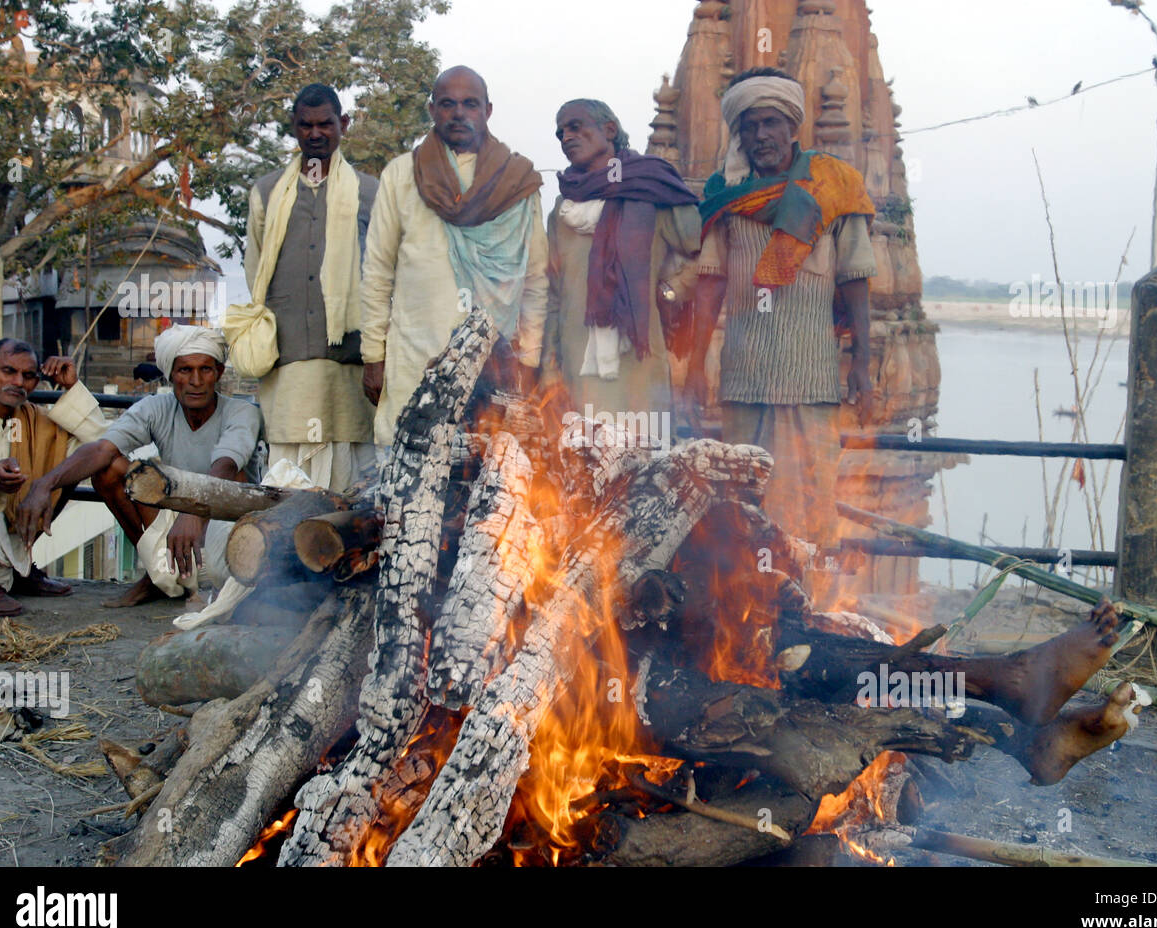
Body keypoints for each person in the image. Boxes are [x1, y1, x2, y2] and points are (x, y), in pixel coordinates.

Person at [687, 67, 877, 606]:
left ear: (793, 127)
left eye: (771, 123)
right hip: (743, 378)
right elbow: (710, 280)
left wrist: (862, 364)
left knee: (810, 511)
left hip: (810, 380)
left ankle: (808, 615)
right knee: (740, 507)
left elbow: (856, 277)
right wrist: (697, 364)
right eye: (751, 126)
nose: (761, 135)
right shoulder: (726, 193)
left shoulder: (834, 185)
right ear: (739, 133)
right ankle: (744, 618)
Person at [360, 65, 547, 447]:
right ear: (432, 110)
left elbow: (535, 280)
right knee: (407, 475)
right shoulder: (401, 175)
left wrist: (529, 360)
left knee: (487, 479)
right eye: (448, 104)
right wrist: (372, 357)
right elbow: (377, 272)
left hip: (493, 363)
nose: (459, 113)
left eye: (470, 104)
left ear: (488, 111)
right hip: (415, 354)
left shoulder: (517, 182)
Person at [16, 325, 262, 608]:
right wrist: (44, 484)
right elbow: (102, 448)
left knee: (236, 477)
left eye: (205, 370)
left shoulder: (241, 412)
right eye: (185, 371)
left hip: (228, 531)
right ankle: (156, 575)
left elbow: (227, 466)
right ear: (171, 374)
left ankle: (180, 580)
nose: (196, 381)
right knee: (108, 469)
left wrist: (197, 509)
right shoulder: (156, 407)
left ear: (218, 373)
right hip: (177, 525)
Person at [237, 83, 378, 491]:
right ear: (294, 129)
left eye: (325, 124)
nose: (316, 133)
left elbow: (385, 273)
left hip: (349, 361)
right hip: (288, 357)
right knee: (288, 478)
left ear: (343, 125)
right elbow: (254, 270)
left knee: (350, 481)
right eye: (306, 125)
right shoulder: (266, 193)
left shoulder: (369, 192)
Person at [541, 99, 702, 447]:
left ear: (609, 130)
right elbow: (553, 292)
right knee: (586, 478)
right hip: (577, 364)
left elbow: (702, 255)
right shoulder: (561, 209)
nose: (566, 136)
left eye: (575, 126)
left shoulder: (652, 190)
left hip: (640, 363)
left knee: (649, 468)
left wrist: (669, 291)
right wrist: (548, 366)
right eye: (560, 132)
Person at [0, 339, 105, 616]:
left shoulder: (34, 421)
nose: (19, 382)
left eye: (29, 376)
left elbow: (99, 444)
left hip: (8, 531)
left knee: (66, 468)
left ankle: (19, 568)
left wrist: (71, 387)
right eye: (8, 371)